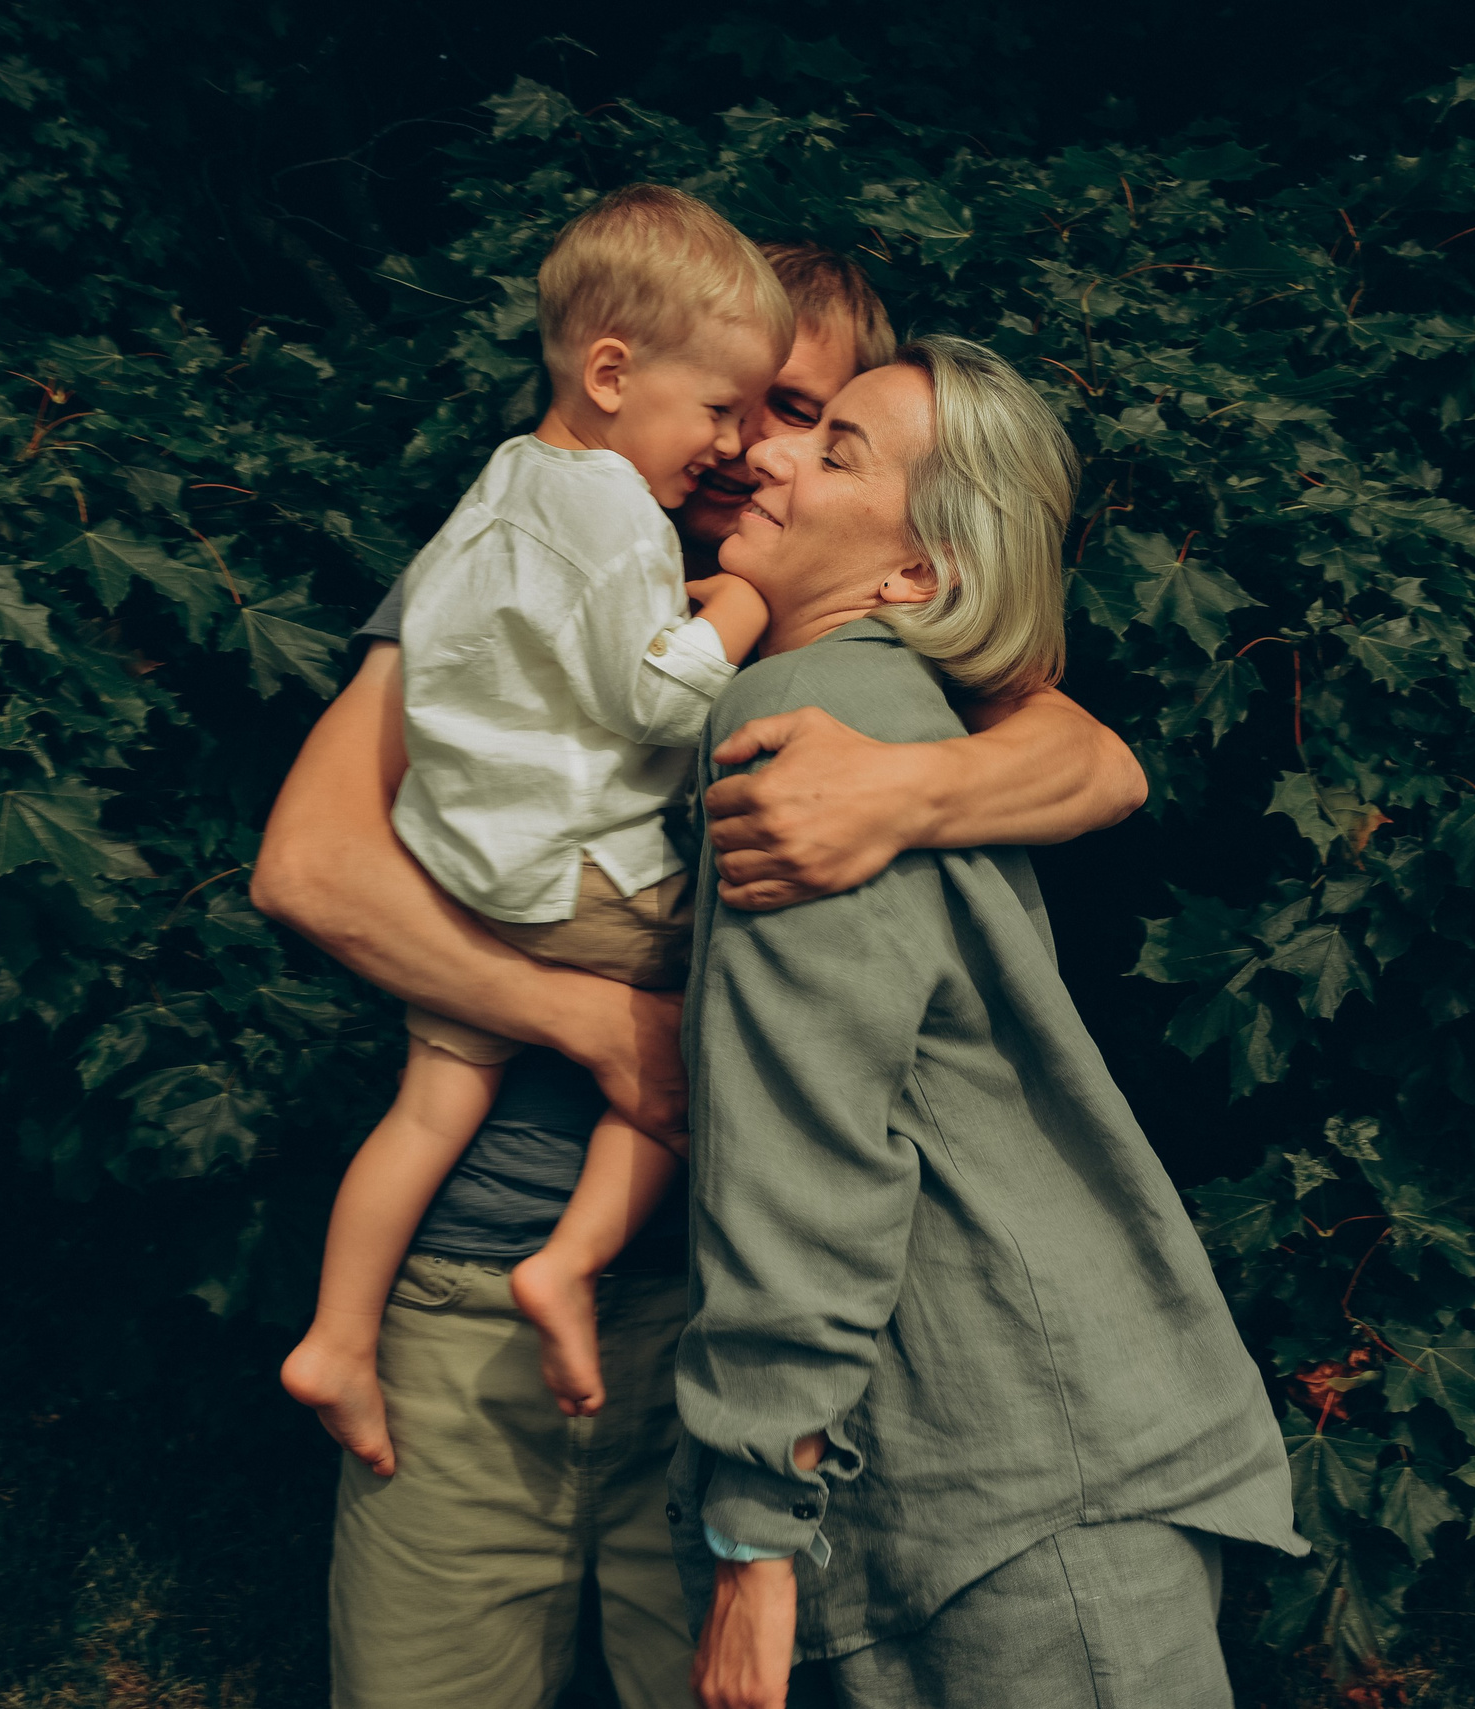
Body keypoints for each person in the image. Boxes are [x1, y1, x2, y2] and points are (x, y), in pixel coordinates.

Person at [251, 250, 1147, 1709]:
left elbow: (1099, 761)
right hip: (479, 1275)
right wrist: (610, 1026)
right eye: (743, 403)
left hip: (725, 1325)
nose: (754, 447)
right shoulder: (541, 543)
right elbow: (311, 864)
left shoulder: (833, 617)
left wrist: (904, 794)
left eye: (808, 413)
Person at [673, 335, 1305, 1709]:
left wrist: (750, 1535)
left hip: (1023, 1500)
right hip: (1023, 1487)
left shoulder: (808, 716)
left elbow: (810, 1144)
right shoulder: (890, 717)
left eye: (833, 446)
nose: (763, 455)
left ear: (916, 574)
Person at [279, 182, 788, 1452]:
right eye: (719, 408)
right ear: (612, 371)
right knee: (698, 1002)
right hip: (583, 879)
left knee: (429, 1105)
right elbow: (662, 696)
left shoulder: (505, 480)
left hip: (467, 867)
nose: (728, 446)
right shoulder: (621, 510)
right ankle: (566, 1262)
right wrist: (744, 602)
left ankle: (336, 1338)